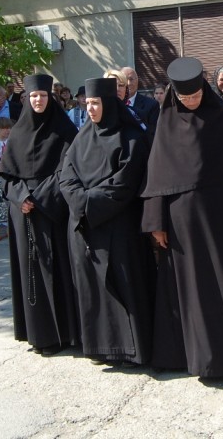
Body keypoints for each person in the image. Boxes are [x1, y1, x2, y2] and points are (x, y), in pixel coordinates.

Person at [143, 57, 223, 376]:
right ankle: (195, 356)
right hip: (180, 225)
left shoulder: (222, 117)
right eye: (185, 97)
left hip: (222, 218)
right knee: (190, 289)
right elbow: (156, 180)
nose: (191, 101)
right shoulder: (166, 124)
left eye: (196, 94)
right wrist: (156, 223)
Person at [59, 77, 154, 366]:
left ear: (109, 103)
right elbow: (66, 175)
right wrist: (80, 203)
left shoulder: (132, 138)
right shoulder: (81, 137)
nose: (90, 109)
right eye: (87, 104)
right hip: (85, 228)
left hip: (119, 227)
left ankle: (131, 350)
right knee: (92, 291)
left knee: (123, 288)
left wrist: (88, 202)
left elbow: (124, 183)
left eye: (96, 103)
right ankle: (100, 347)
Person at [0, 74, 81, 356]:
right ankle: (39, 335)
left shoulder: (64, 129)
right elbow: (5, 177)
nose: (38, 100)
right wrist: (21, 198)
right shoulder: (18, 133)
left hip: (53, 209)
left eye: (43, 96)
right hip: (25, 213)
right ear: (27, 99)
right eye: (33, 96)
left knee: (57, 270)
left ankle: (66, 334)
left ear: (50, 97)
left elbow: (68, 170)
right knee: (30, 272)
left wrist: (41, 198)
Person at [121, 66, 160, 139]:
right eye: (125, 80)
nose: (129, 83)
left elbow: (153, 133)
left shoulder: (152, 105)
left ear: (137, 81)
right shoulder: (114, 105)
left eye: (131, 79)